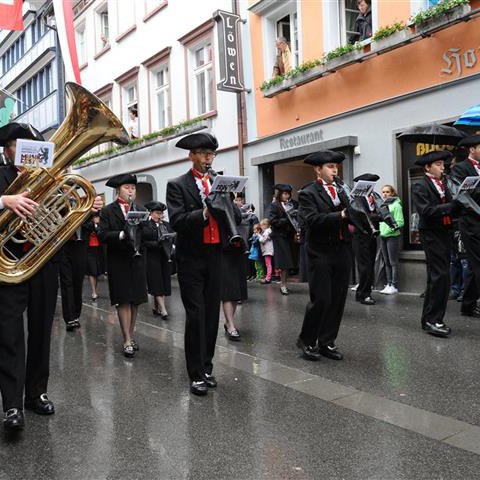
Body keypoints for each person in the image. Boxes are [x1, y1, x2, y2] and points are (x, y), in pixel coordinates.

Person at [0, 123, 102, 432]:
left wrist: (83, 208)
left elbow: (61, 221)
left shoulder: (52, 178)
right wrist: (4, 202)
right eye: (23, 145)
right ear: (7, 149)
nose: (32, 151)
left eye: (35, 145)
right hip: (8, 265)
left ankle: (35, 393)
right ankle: (12, 405)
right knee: (10, 336)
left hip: (43, 263)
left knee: (42, 330)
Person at [166, 132, 231, 396]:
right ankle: (195, 374)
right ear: (191, 155)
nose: (208, 158)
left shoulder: (217, 181)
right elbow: (177, 221)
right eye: (203, 154)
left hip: (215, 254)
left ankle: (207, 367)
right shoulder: (177, 184)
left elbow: (231, 214)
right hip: (191, 258)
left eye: (211, 154)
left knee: (211, 315)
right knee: (196, 315)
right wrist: (204, 212)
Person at [296, 150, 352, 361]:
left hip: (342, 248)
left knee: (338, 299)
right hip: (319, 251)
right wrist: (342, 215)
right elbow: (312, 219)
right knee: (321, 299)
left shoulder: (342, 189)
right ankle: (307, 339)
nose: (334, 170)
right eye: (330, 167)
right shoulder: (308, 193)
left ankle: (327, 341)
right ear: (318, 170)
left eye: (335, 166)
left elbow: (353, 213)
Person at [98, 173, 148, 358]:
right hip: (118, 260)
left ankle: (131, 334)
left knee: (135, 300)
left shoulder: (140, 208)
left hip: (137, 260)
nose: (131, 191)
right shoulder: (108, 211)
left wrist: (145, 225)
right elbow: (102, 234)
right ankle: (126, 339)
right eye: (127, 187)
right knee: (123, 299)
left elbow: (149, 234)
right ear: (118, 190)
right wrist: (121, 235)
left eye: (133, 188)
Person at [412, 150, 457, 337]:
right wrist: (452, 206)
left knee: (438, 277)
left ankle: (430, 318)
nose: (442, 167)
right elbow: (426, 211)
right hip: (431, 234)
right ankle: (433, 319)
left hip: (444, 232)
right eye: (438, 164)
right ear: (428, 167)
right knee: (441, 276)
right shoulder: (419, 186)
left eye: (443, 164)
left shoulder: (444, 183)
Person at [451, 134, 480, 318]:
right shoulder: (460, 169)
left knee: (473, 266)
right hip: (470, 223)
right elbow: (461, 196)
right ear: (472, 149)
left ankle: (468, 304)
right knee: (477, 264)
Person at [142, 201, 175, 319]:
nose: (159, 216)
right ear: (150, 213)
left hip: (164, 257)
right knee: (156, 282)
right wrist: (157, 243)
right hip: (152, 257)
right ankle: (163, 309)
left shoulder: (166, 224)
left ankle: (156, 308)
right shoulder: (145, 224)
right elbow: (144, 241)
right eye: (156, 213)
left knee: (163, 282)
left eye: (161, 213)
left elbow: (172, 237)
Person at [351, 173, 380, 305]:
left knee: (371, 264)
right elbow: (359, 216)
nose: (372, 187)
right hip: (360, 235)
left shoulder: (374, 197)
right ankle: (363, 294)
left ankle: (365, 291)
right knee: (365, 266)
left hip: (372, 236)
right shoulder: (356, 198)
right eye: (370, 184)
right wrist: (375, 216)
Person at [221, 202, 247, 342]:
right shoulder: (215, 206)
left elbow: (238, 219)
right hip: (223, 252)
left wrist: (232, 205)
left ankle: (229, 322)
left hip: (236, 252)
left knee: (237, 291)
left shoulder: (233, 205)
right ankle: (230, 324)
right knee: (227, 291)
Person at [60, 219, 89, 331]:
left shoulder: (86, 205)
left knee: (78, 282)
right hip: (64, 244)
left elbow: (92, 224)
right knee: (66, 282)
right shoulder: (62, 205)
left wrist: (80, 221)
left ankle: (76, 315)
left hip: (80, 245)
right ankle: (69, 318)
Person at [268, 184, 297, 295]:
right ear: (280, 194)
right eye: (285, 193)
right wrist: (287, 218)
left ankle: (285, 283)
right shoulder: (274, 205)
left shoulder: (293, 204)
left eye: (288, 193)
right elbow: (272, 221)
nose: (287, 196)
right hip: (279, 236)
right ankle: (283, 285)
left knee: (289, 261)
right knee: (284, 262)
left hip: (290, 236)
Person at [379, 184, 404, 294]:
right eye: (383, 192)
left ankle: (394, 285)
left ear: (392, 193)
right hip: (383, 236)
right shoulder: (382, 205)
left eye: (387, 192)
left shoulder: (396, 205)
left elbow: (400, 222)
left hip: (392, 236)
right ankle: (388, 284)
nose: (385, 194)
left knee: (393, 262)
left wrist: (390, 230)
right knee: (386, 262)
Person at [85, 213, 104, 301]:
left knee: (96, 272)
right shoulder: (89, 224)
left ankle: (95, 290)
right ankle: (93, 292)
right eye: (95, 217)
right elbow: (88, 228)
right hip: (90, 250)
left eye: (98, 217)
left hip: (98, 250)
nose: (97, 218)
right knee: (92, 271)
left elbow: (101, 234)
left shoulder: (101, 225)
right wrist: (94, 224)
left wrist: (98, 224)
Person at [258, 218, 274, 284]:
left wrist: (258, 235)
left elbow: (262, 240)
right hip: (269, 250)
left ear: (265, 225)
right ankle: (273, 275)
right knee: (269, 264)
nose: (261, 227)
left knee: (268, 264)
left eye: (261, 225)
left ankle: (268, 278)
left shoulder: (267, 231)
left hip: (267, 250)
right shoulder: (269, 231)